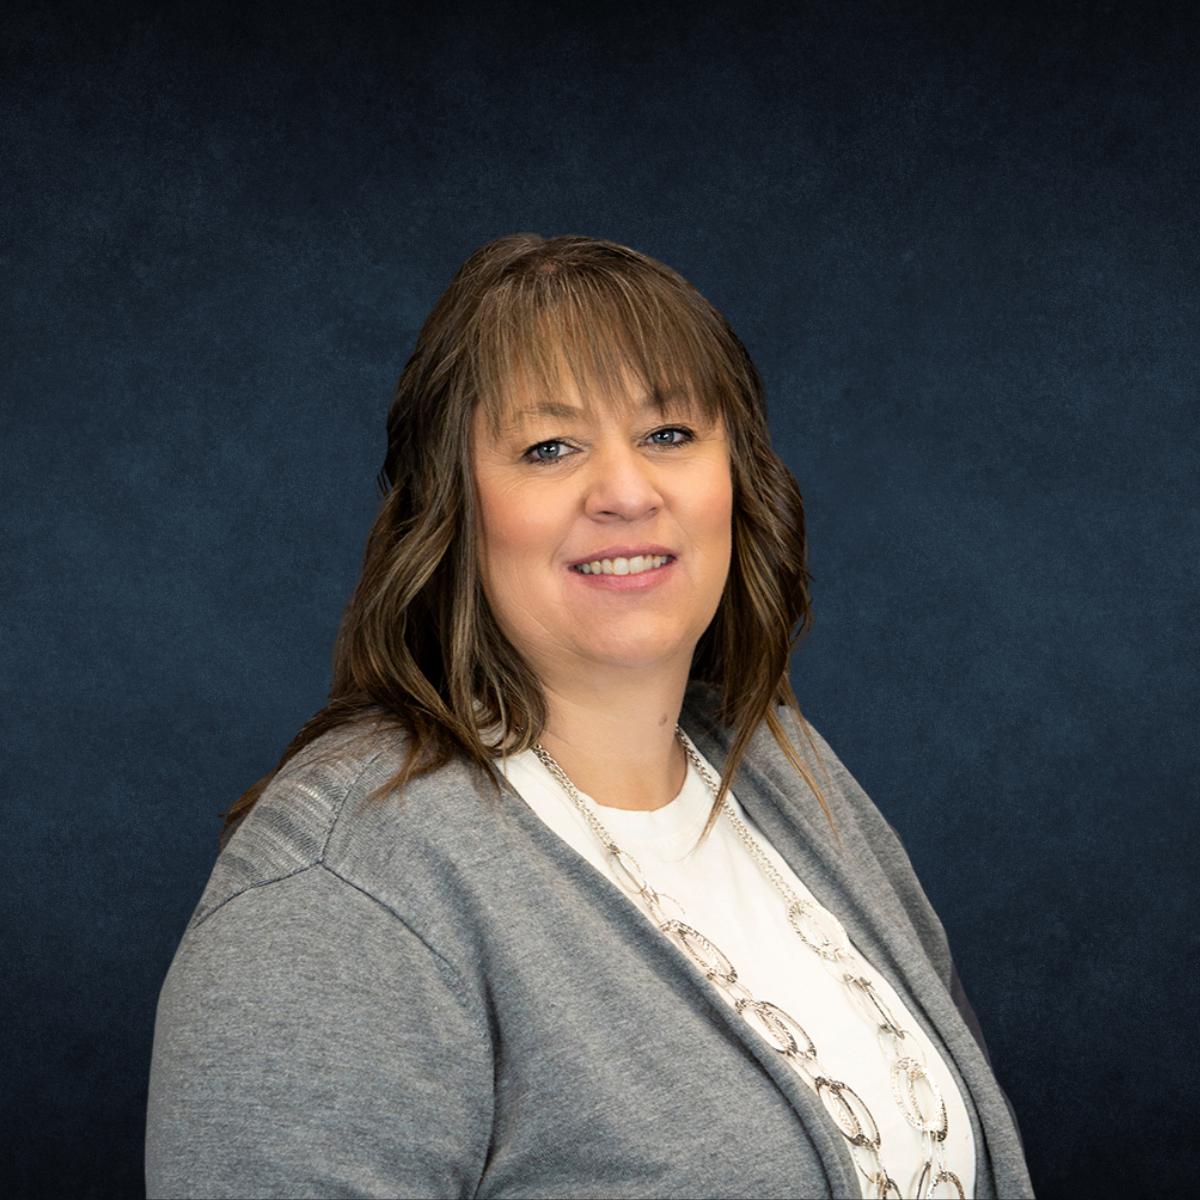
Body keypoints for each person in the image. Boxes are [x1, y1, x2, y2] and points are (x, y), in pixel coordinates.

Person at [146, 234, 1033, 1199]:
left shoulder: (783, 773)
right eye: (550, 447)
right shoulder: (340, 887)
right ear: (452, 509)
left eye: (668, 434)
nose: (625, 493)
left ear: (736, 479)